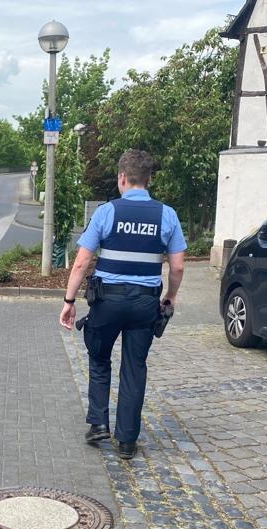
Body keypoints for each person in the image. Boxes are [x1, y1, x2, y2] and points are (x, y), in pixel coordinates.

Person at [59, 149, 186, 459]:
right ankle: (127, 440)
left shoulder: (106, 212)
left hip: (108, 302)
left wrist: (69, 300)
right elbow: (178, 266)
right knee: (134, 367)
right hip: (145, 304)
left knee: (99, 357)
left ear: (122, 178)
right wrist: (170, 296)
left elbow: (81, 262)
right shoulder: (166, 214)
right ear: (148, 179)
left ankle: (98, 423)